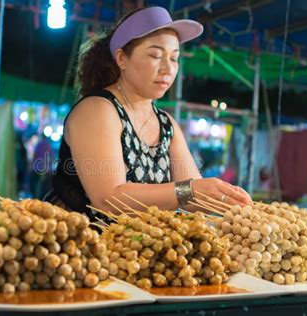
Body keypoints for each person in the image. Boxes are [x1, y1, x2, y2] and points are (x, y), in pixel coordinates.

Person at [46, 6, 251, 221]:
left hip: (137, 250)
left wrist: (225, 197)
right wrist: (189, 190)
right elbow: (108, 199)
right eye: (155, 55)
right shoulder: (98, 110)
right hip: (81, 247)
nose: (167, 68)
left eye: (174, 58)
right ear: (122, 59)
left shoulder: (166, 124)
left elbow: (193, 198)